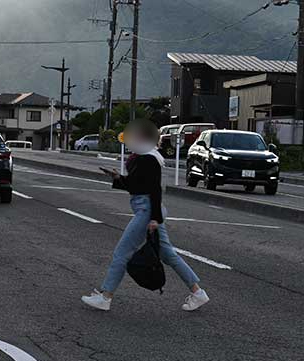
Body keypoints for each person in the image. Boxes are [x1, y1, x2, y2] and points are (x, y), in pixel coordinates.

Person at [82, 119, 210, 312]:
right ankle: (198, 292)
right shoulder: (144, 157)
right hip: (148, 209)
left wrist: (154, 219)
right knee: (168, 254)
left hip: (147, 210)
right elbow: (137, 185)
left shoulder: (148, 159)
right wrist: (118, 178)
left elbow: (154, 191)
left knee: (121, 253)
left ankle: (105, 296)